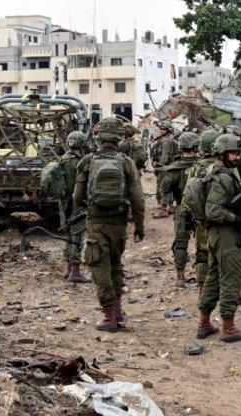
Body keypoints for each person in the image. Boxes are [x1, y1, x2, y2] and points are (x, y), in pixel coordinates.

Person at [72, 117, 146, 333]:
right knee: (115, 264)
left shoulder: (87, 161)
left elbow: (77, 197)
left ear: (98, 137)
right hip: (120, 223)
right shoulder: (127, 162)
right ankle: (118, 310)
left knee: (99, 266)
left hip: (96, 222)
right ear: (118, 138)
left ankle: (108, 317)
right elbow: (138, 198)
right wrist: (139, 227)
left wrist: (91, 203)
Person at [196, 134, 241, 343]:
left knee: (213, 277)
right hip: (225, 233)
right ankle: (228, 328)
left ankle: (204, 323)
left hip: (217, 234)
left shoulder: (221, 172)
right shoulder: (222, 177)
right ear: (221, 154)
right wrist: (237, 219)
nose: (237, 157)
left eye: (238, 153)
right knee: (230, 278)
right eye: (232, 153)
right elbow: (213, 210)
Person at [164, 132, 200, 288]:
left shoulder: (175, 167)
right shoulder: (202, 165)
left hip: (181, 207)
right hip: (200, 209)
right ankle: (204, 276)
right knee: (204, 242)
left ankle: (180, 277)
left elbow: (164, 188)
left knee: (180, 242)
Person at [189, 128, 221, 295]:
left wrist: (191, 218)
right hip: (223, 220)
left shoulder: (197, 168)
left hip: (203, 219)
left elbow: (189, 195)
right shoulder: (226, 167)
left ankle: (202, 290)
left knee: (202, 253)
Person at [58, 130, 90, 283]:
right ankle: (75, 271)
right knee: (77, 235)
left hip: (64, 203)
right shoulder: (80, 162)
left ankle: (69, 269)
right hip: (77, 203)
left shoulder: (62, 159)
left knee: (69, 235)